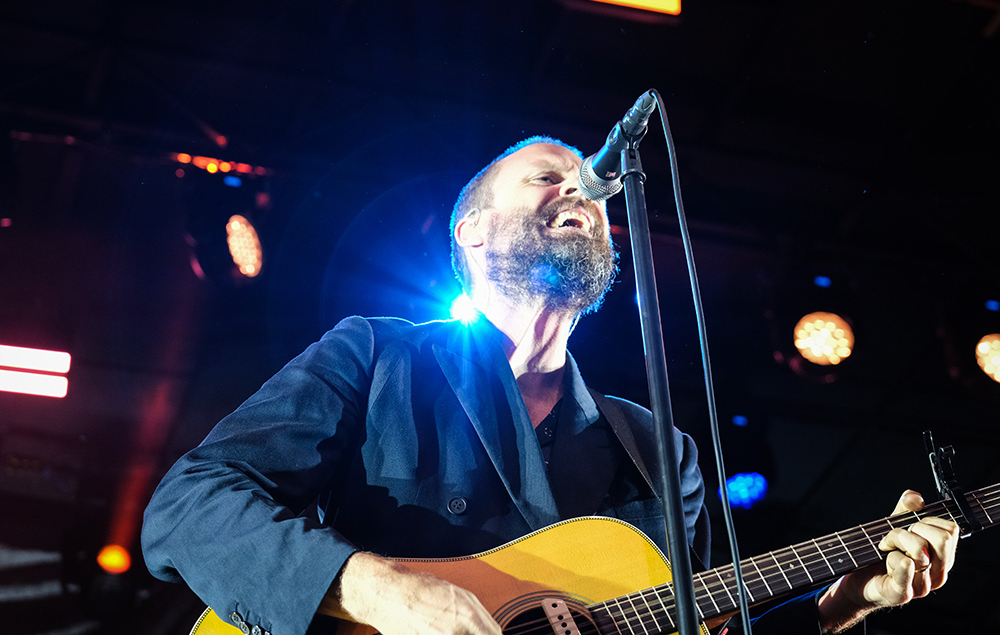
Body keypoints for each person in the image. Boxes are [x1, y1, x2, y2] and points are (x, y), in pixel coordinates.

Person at [141, 137, 960, 635]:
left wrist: (842, 605)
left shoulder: (656, 448)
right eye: (545, 177)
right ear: (470, 231)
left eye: (591, 189)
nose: (581, 192)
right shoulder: (377, 356)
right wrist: (376, 590)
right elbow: (190, 507)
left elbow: (698, 632)